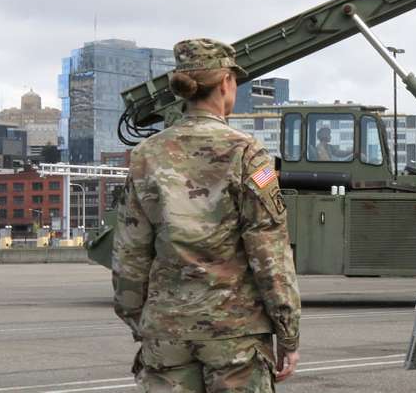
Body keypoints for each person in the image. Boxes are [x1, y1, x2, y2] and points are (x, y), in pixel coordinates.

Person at [113, 38, 301, 392]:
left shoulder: (145, 155)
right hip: (235, 333)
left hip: (166, 330)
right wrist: (288, 332)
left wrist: (140, 318)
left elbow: (130, 251)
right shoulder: (248, 153)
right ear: (227, 83)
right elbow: (269, 253)